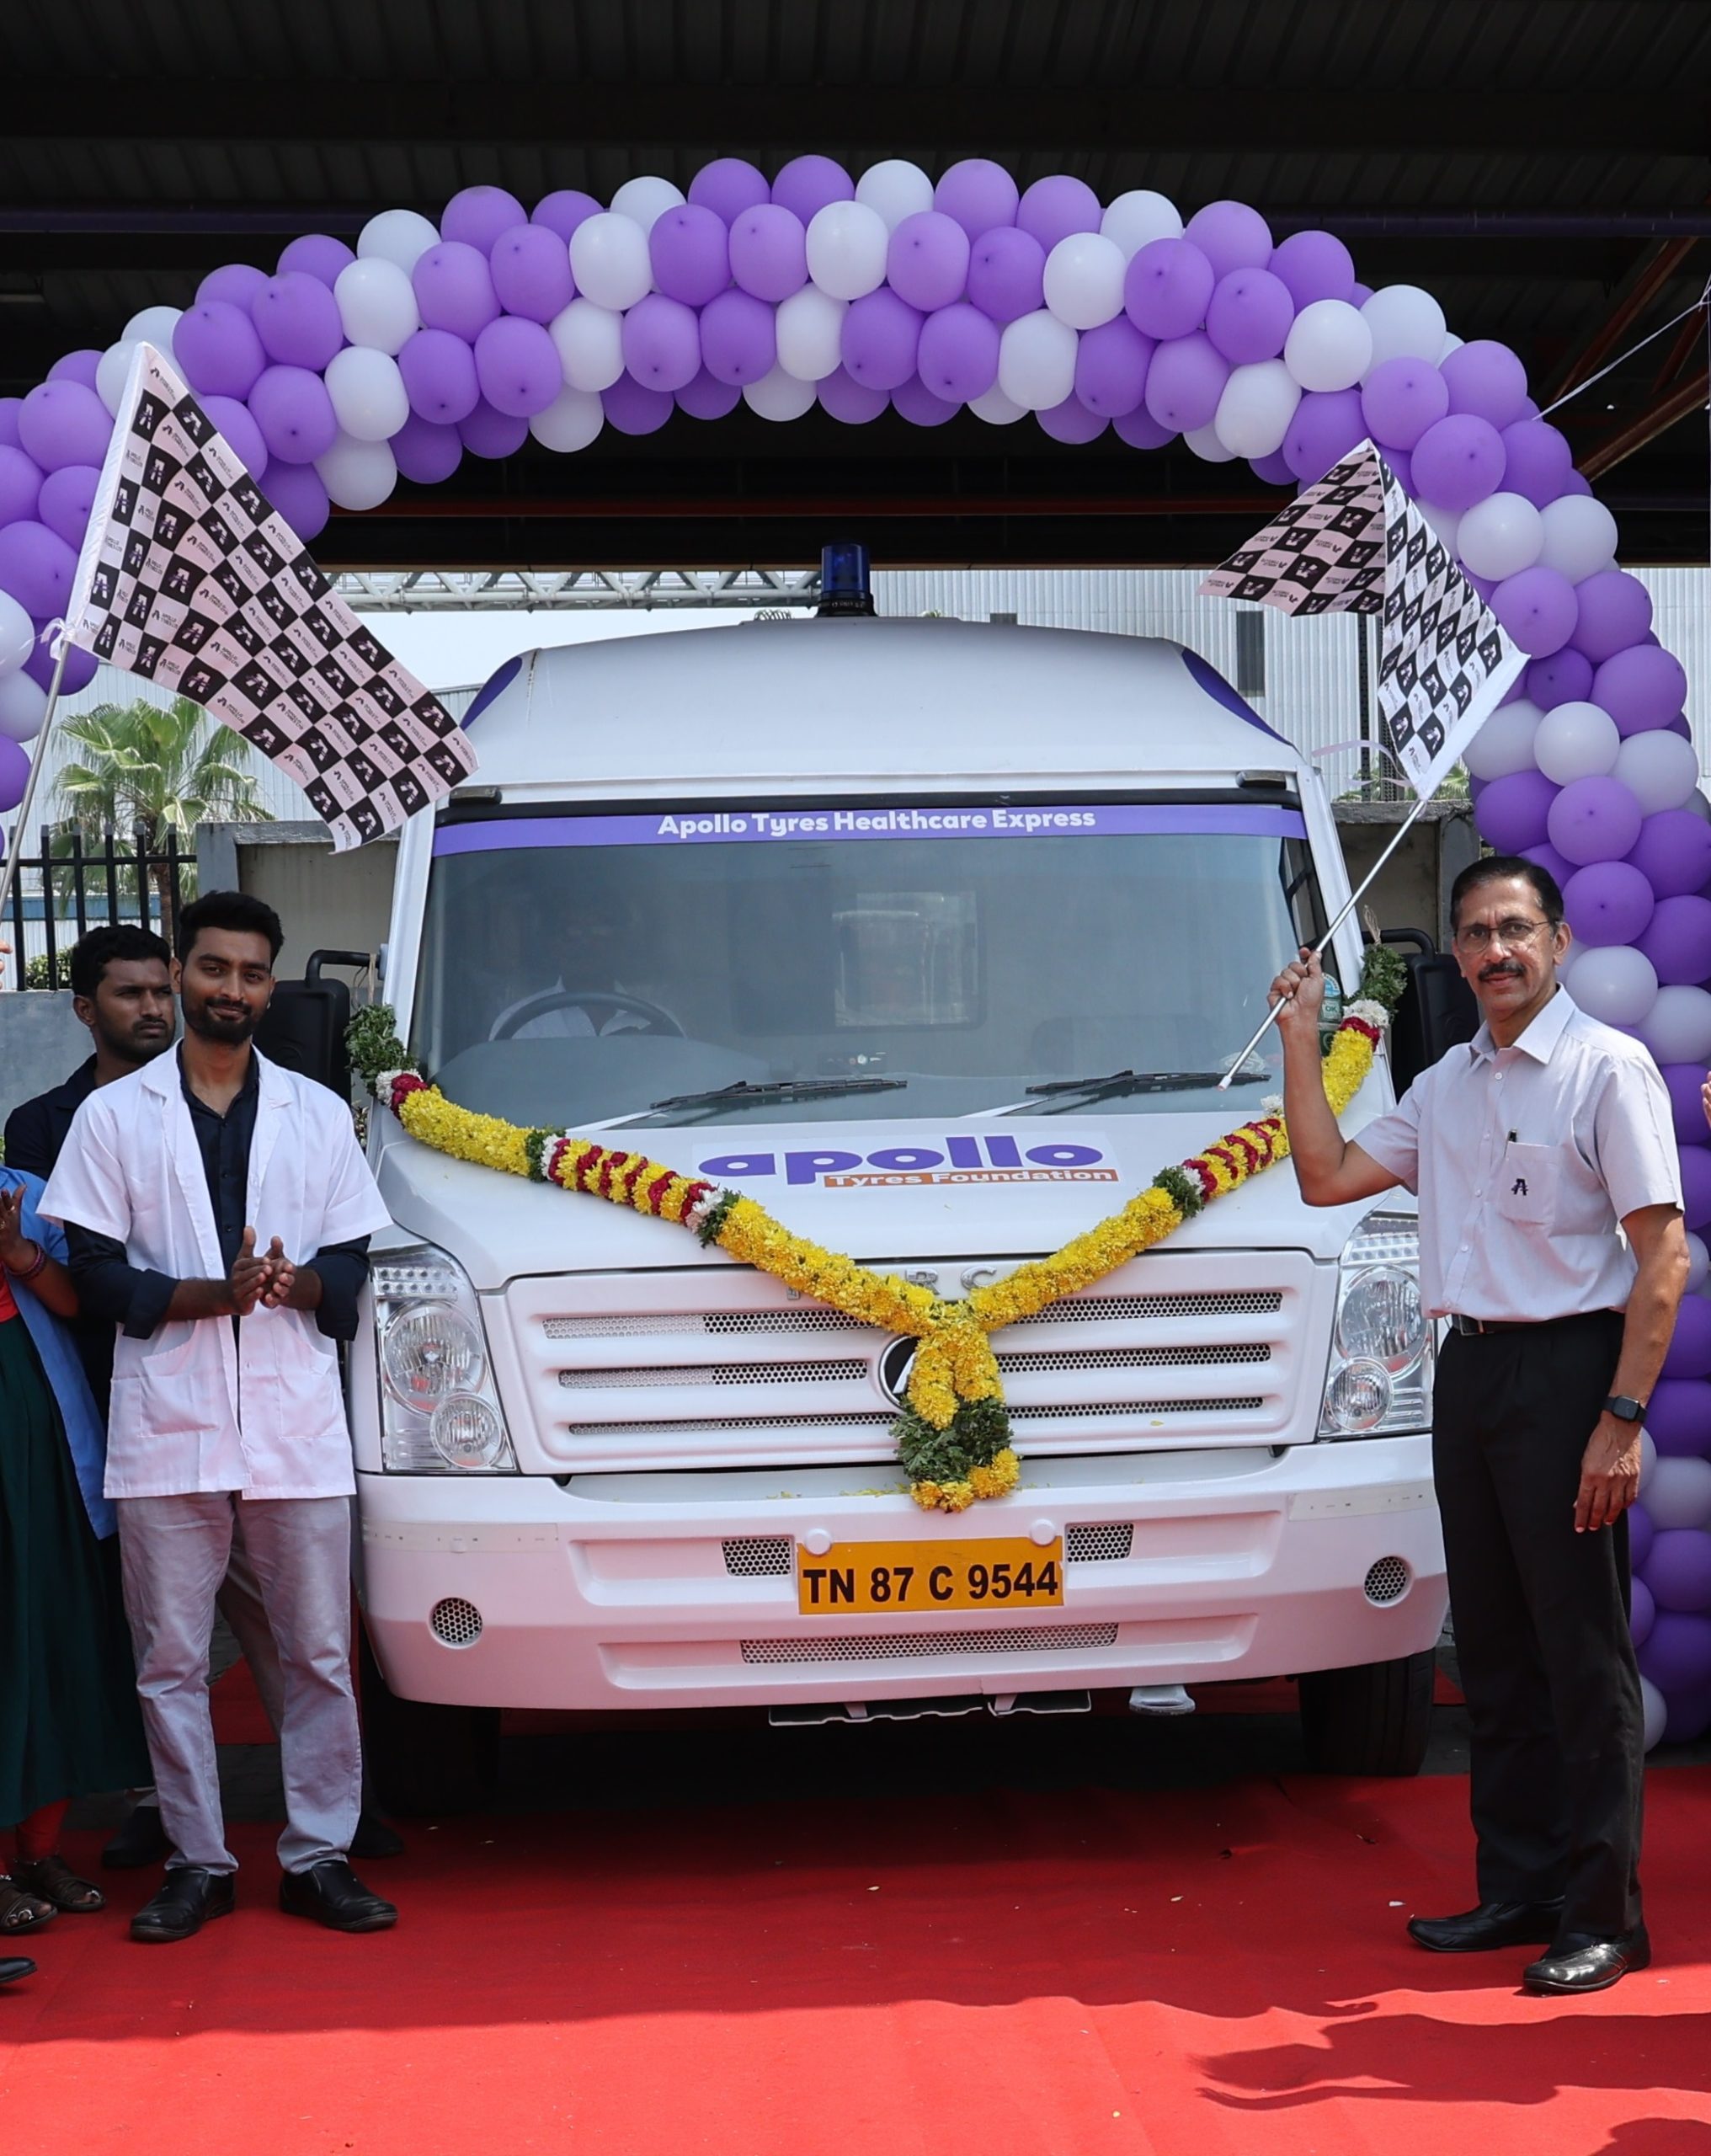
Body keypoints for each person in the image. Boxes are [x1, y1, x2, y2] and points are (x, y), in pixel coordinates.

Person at [1271, 855, 1686, 1998]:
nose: (1494, 952)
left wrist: (1620, 1418)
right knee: (1496, 1651)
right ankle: (1520, 1886)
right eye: (1474, 934)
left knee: (1581, 1656)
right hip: (1472, 1370)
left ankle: (1604, 1916)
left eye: (1514, 929)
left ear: (1558, 941)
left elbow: (1663, 1259)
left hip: (1570, 1373)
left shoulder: (1607, 1069)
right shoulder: (1446, 1083)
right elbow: (1324, 1176)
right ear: (1453, 955)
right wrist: (1300, 1040)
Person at [44, 890, 399, 1943]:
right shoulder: (113, 1116)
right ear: (181, 971)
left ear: (270, 985)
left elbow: (352, 1267)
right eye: (212, 968)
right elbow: (95, 1276)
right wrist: (213, 1294)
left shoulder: (317, 1113)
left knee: (319, 1652)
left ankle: (318, 1855)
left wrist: (293, 1285)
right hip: (170, 1423)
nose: (230, 989)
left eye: (250, 973)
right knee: (170, 1661)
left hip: (293, 1424)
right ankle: (199, 1861)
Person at [0, 1173, 152, 1936]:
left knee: (56, 1637)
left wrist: (16, 1250)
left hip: (48, 1446)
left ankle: (39, 1854)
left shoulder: (25, 1194)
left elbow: (80, 1305)